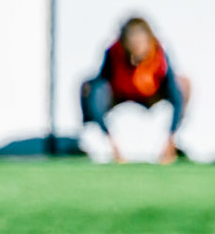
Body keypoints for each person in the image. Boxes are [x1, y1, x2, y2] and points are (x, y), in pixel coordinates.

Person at [80, 16, 190, 164]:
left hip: (152, 94)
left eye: (140, 41)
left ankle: (173, 145)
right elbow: (99, 86)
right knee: (89, 88)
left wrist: (170, 136)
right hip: (119, 93)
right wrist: (111, 141)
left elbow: (175, 94)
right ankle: (92, 142)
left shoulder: (158, 54)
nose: (136, 46)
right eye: (132, 41)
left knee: (184, 84)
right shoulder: (113, 52)